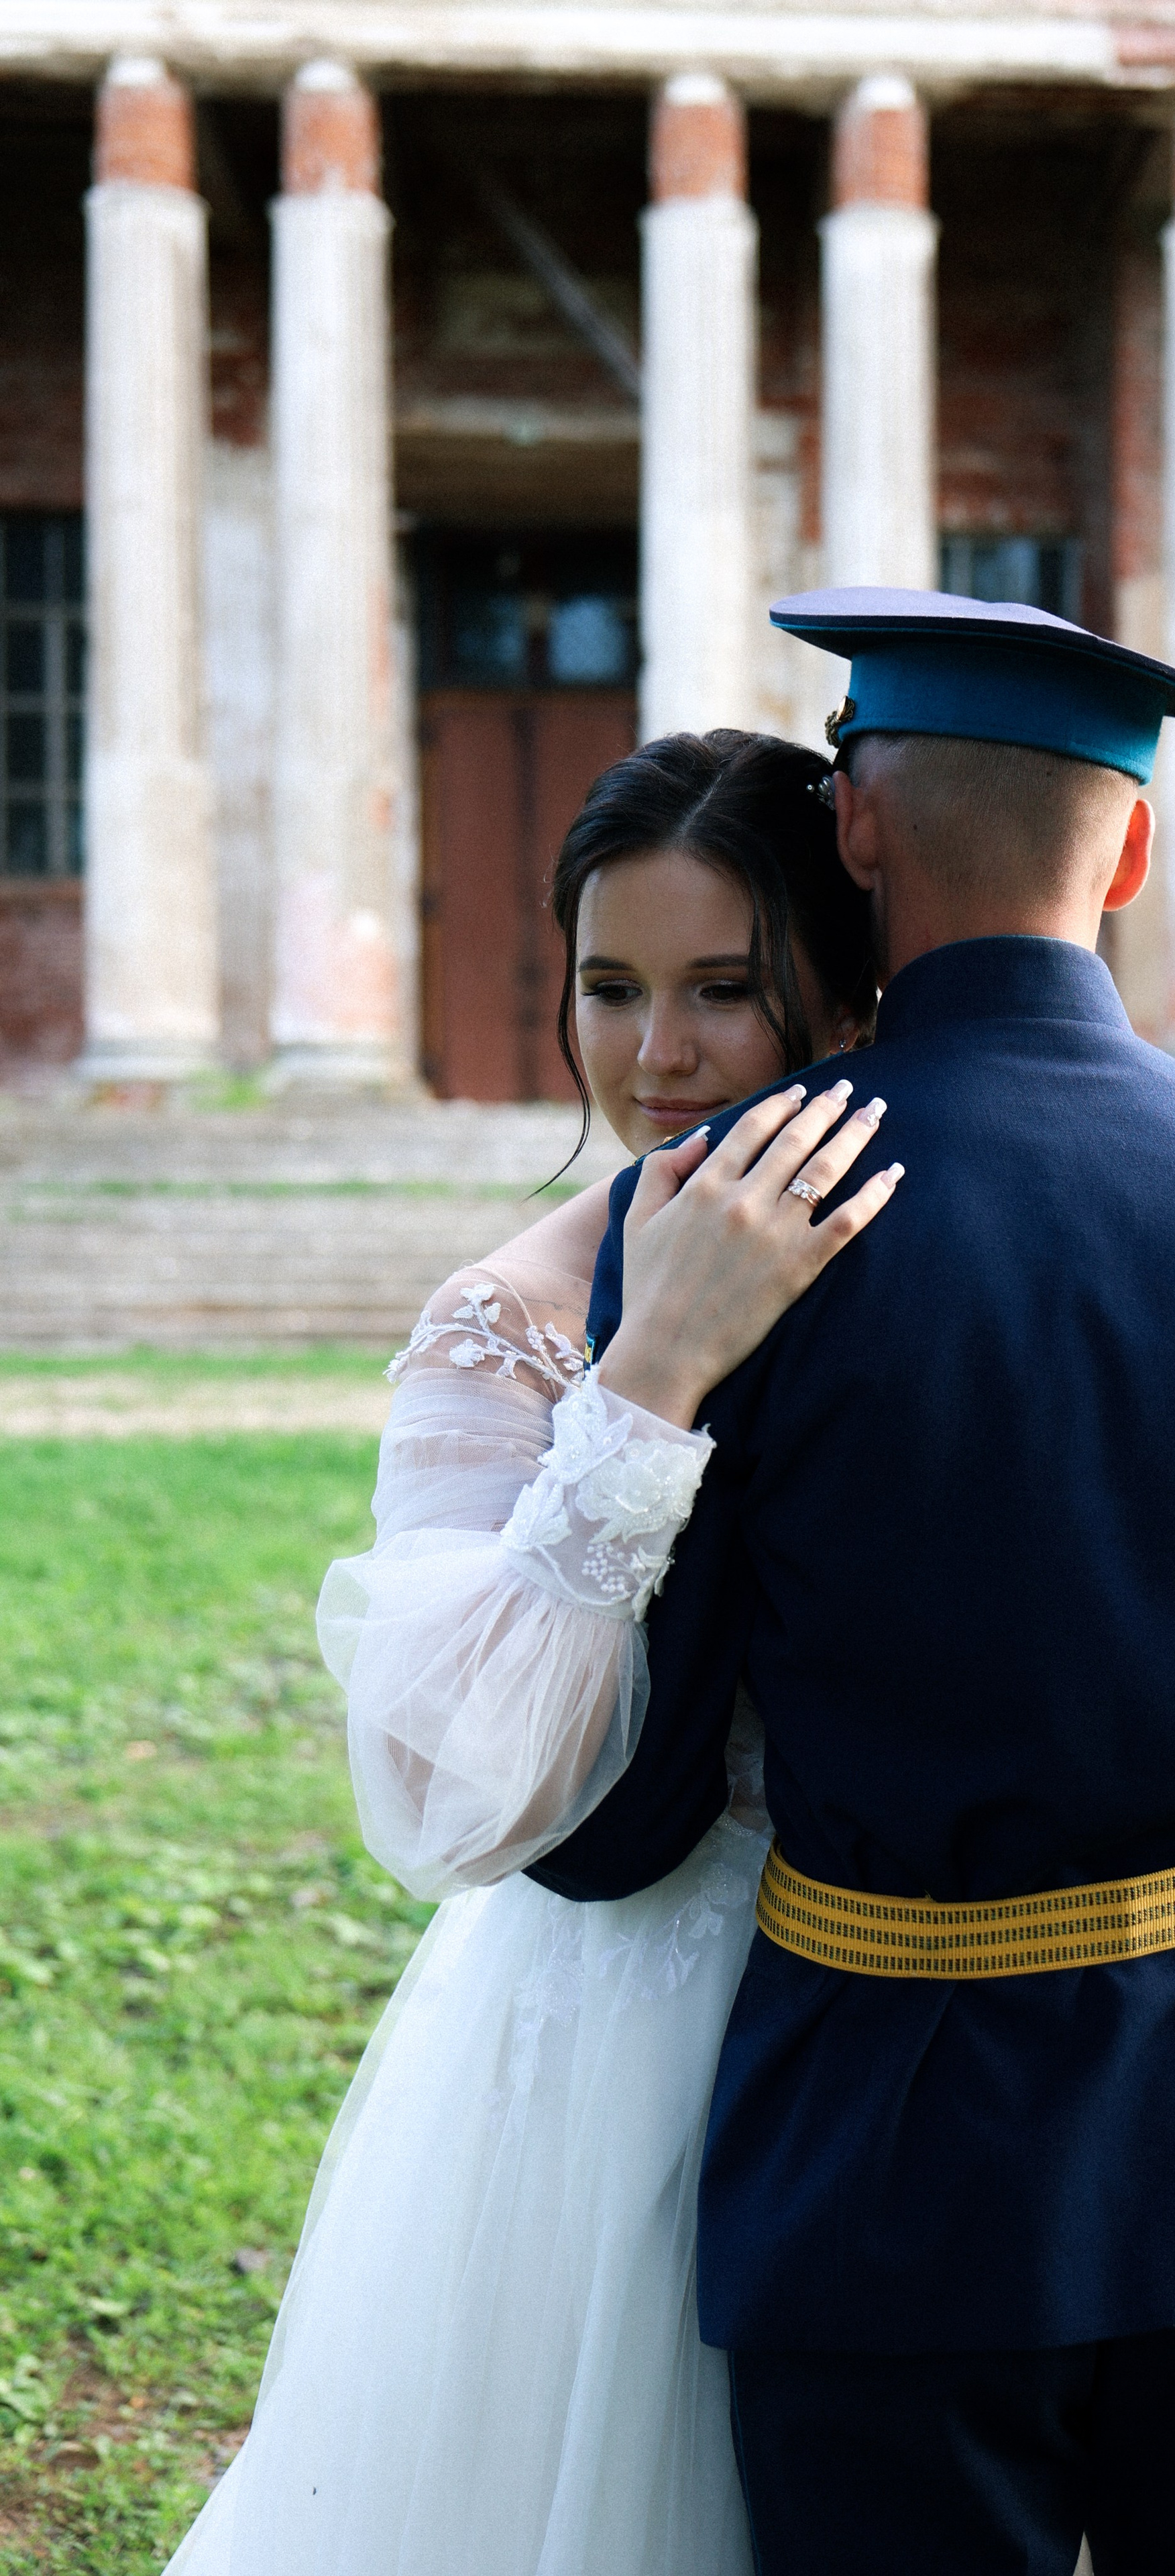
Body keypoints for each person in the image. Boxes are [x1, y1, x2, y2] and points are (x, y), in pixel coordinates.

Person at [541, 589, 1175, 2575]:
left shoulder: (745, 1208)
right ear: (1132, 847)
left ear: (858, 835)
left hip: (873, 2168)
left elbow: (626, 1819)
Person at [161, 730, 895, 2576]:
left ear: (839, 980)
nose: (659, 1056)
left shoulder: (950, 1264)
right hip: (614, 2029)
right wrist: (649, 1380)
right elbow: (452, 1788)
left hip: (908, 2003)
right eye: (612, 989)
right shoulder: (508, 1320)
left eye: (726, 990)